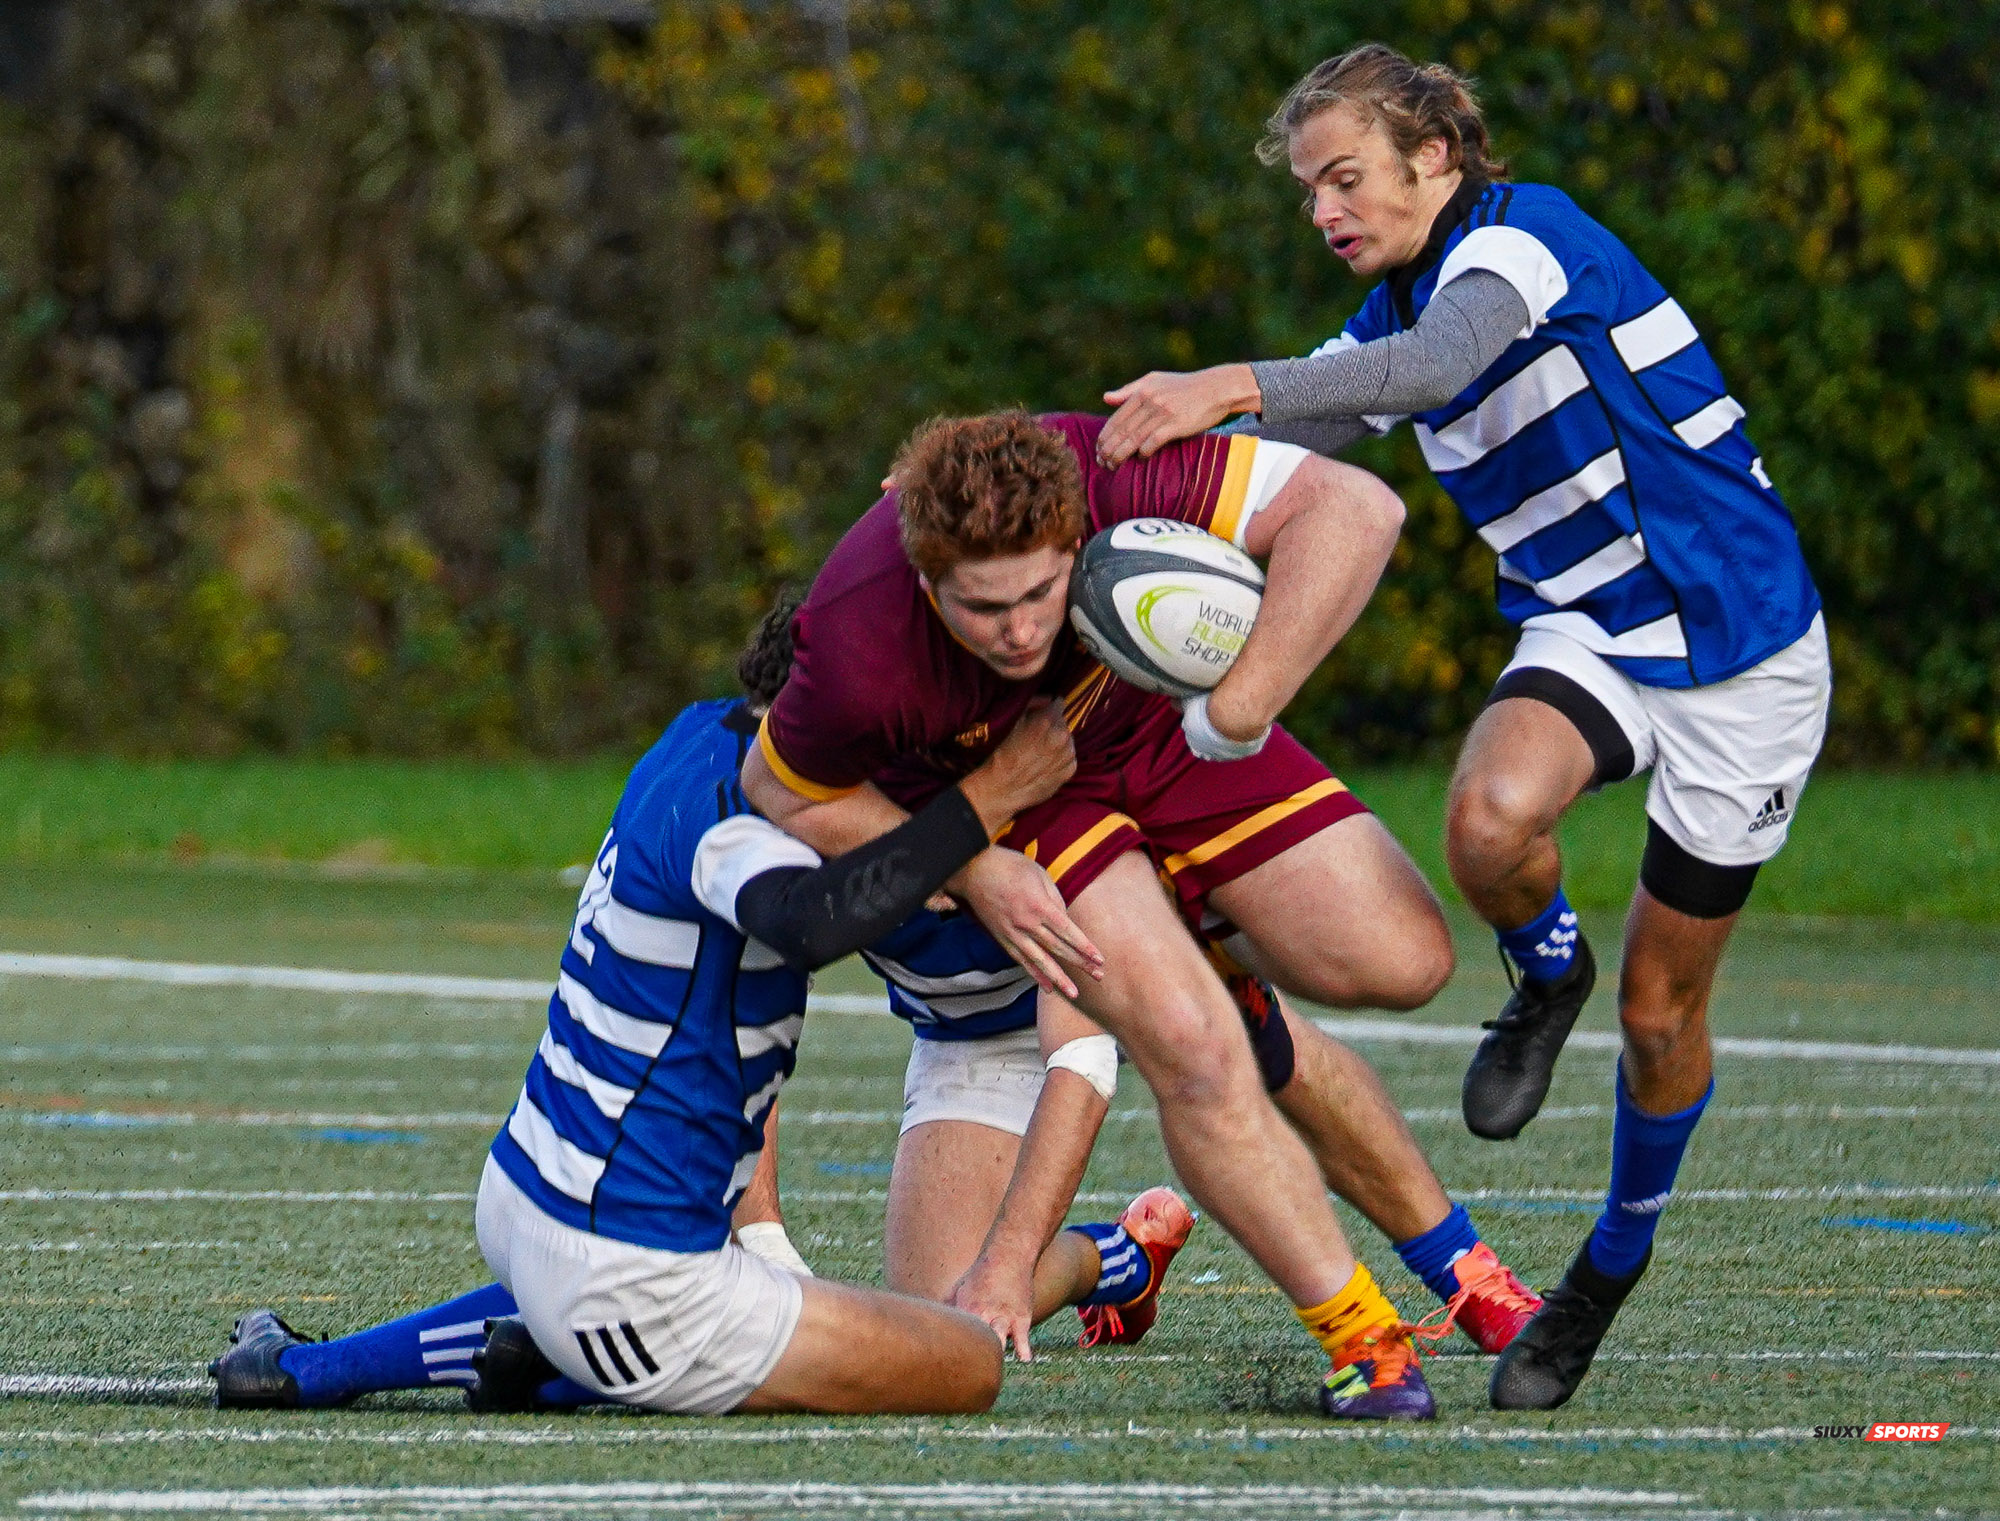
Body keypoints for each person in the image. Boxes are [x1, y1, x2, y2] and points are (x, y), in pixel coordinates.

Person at [1096, 44, 1830, 1410]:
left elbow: (1436, 369)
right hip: (1594, 628)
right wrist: (1095, 471)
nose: (1325, 209)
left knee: (1666, 1015)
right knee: (1488, 823)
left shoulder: (1526, 241)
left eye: (1347, 175)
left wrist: (1224, 381)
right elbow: (1300, 444)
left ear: (1437, 156)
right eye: (1310, 187)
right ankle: (1548, 972)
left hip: (1745, 652)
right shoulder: (1391, 308)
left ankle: (1605, 1267)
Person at [744, 409, 1542, 1421]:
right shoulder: (857, 647)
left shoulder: (1112, 469)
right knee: (1191, 1053)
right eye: (981, 609)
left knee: (1403, 959)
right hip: (1030, 801)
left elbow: (1351, 507)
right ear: (922, 573)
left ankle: (1456, 1259)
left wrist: (1240, 702)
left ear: (1079, 535)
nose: (1023, 630)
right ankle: (1366, 1343)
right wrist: (975, 856)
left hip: (1155, 727)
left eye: (1040, 592)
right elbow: (778, 793)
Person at [209, 603, 1182, 1414]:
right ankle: (568, 1373)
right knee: (963, 1359)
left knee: (619, 1279)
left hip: (528, 1194)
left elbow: (745, 1028)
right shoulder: (746, 822)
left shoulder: (692, 734)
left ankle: (313, 1369)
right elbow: (800, 925)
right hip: (635, 1275)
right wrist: (970, 827)